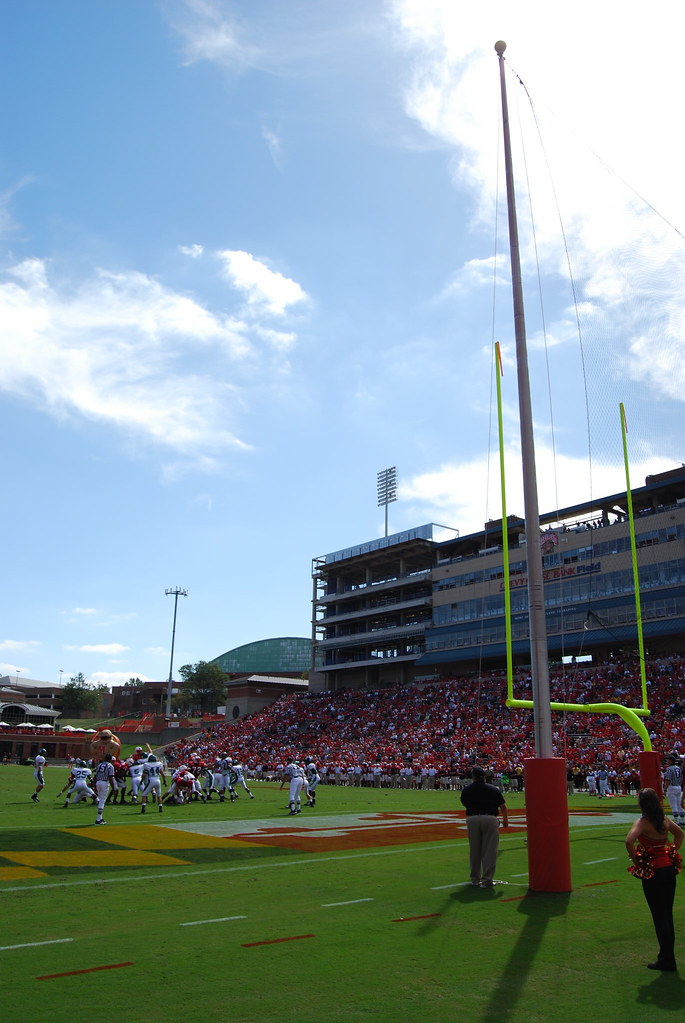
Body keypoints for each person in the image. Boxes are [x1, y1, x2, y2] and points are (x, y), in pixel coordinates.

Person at [625, 787, 683, 972]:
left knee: (660, 917)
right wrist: (671, 851)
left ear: (643, 804)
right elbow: (680, 834)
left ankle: (667, 960)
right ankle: (667, 957)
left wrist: (637, 860)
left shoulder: (643, 823)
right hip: (668, 869)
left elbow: (628, 841)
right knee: (667, 915)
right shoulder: (664, 820)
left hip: (653, 872)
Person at [460, 766, 509, 888]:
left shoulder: (467, 790)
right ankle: (487, 880)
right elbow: (503, 806)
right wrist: (505, 820)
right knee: (490, 850)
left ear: (473, 777)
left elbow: (464, 803)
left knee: (474, 850)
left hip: (473, 818)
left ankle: (475, 879)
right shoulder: (493, 789)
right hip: (490, 818)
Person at [93, 753, 116, 824]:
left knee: (100, 800)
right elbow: (110, 777)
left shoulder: (100, 765)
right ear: (110, 759)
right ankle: (98, 819)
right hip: (104, 783)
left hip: (98, 782)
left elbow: (95, 776)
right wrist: (114, 788)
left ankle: (100, 818)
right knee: (102, 801)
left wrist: (94, 786)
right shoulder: (110, 766)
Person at [663, 755, 685, 825]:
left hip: (672, 787)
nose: (667, 761)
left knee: (673, 805)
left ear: (671, 761)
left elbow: (668, 779)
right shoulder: (678, 768)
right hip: (678, 787)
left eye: (668, 760)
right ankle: (683, 820)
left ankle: (677, 821)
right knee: (679, 805)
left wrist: (665, 789)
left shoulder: (669, 769)